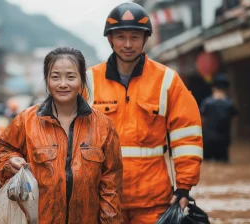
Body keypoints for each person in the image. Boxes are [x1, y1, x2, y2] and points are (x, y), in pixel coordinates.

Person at [85, 3, 203, 223]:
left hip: (154, 201)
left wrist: (184, 188)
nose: (128, 44)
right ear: (110, 39)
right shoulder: (88, 81)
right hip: (104, 198)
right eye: (120, 37)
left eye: (135, 37)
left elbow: (187, 136)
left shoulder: (167, 80)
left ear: (145, 39)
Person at [0, 47, 123, 223]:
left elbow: (111, 185)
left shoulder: (104, 126)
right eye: (55, 77)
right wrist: (10, 162)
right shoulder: (26, 120)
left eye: (70, 77)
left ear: (82, 80)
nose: (62, 84)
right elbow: (1, 150)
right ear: (46, 80)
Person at [201, 74, 238, 163]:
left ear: (214, 88)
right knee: (223, 162)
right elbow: (234, 119)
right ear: (226, 89)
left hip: (209, 139)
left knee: (208, 163)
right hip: (224, 141)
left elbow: (201, 119)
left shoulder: (207, 103)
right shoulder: (230, 104)